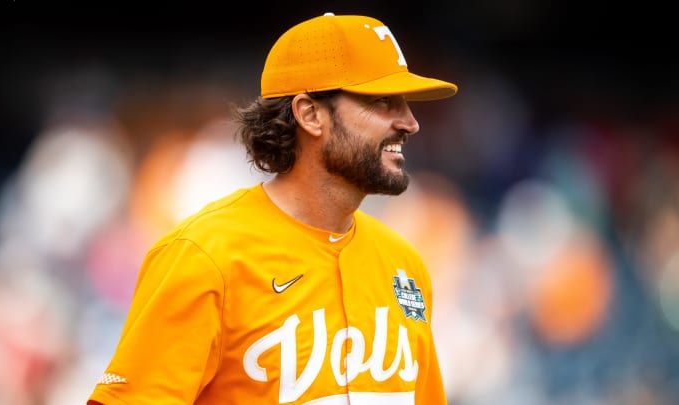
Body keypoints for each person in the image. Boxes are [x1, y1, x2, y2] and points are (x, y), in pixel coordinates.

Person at [87, 12, 458, 405]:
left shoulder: (404, 264)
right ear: (310, 114)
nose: (410, 122)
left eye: (405, 102)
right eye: (383, 101)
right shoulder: (206, 255)